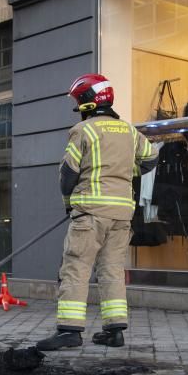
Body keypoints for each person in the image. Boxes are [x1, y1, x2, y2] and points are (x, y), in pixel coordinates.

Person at [36, 74, 159, 351]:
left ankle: (69, 331)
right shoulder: (129, 131)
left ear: (90, 103)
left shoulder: (84, 131)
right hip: (122, 215)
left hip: (90, 214)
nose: (78, 106)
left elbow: (68, 174)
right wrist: (126, 173)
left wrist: (69, 202)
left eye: (80, 101)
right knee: (112, 269)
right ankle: (114, 331)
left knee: (76, 268)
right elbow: (151, 159)